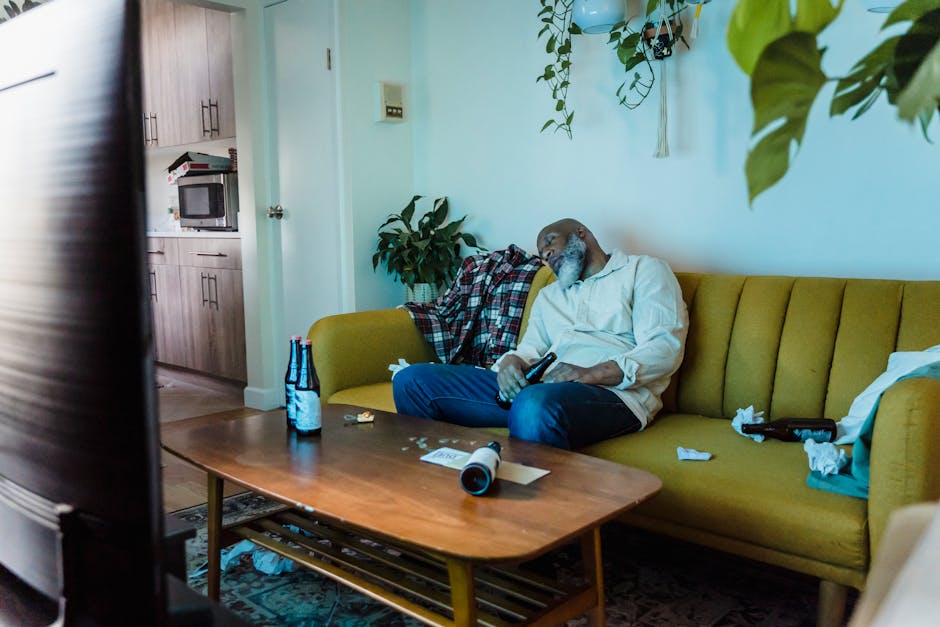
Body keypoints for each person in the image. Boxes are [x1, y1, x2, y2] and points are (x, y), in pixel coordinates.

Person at [392, 218, 689, 450]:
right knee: (412, 382)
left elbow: (664, 348)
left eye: (551, 242)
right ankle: (436, 493)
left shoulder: (643, 270)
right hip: (540, 391)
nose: (546, 254)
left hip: (613, 396)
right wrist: (511, 363)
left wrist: (590, 374)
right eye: (543, 254)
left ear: (581, 233)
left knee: (532, 405)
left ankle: (531, 518)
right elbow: (531, 349)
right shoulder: (550, 296)